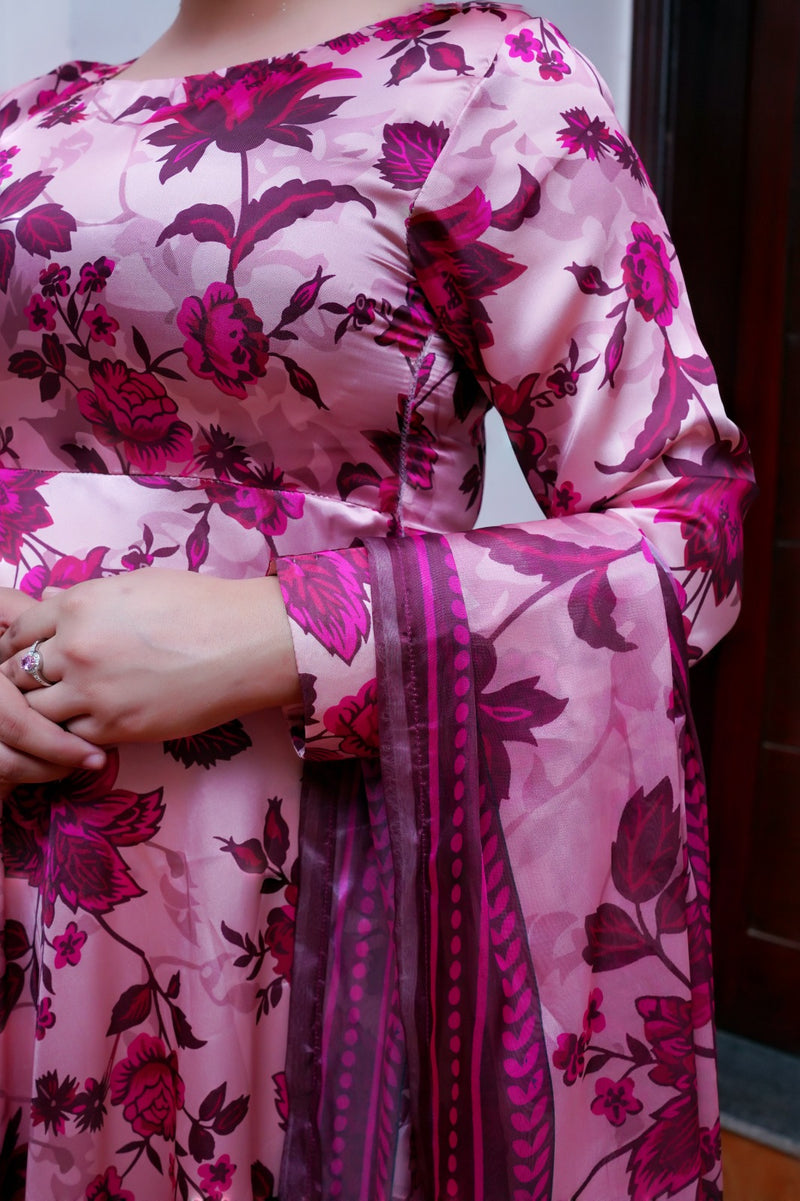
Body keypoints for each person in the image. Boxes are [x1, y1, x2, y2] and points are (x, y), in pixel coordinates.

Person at [0, 1, 755, 1198]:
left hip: (270, 894)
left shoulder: (482, 85)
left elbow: (685, 532)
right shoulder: (38, 118)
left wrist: (292, 630)